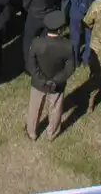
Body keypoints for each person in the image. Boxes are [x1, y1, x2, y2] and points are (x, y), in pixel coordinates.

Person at [25, 11, 76, 141]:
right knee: (56, 107)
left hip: (38, 82)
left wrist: (42, 80)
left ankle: (31, 132)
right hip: (57, 84)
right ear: (60, 29)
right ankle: (52, 133)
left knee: (35, 107)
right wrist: (55, 81)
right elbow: (70, 68)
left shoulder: (37, 43)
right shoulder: (67, 45)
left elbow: (32, 65)